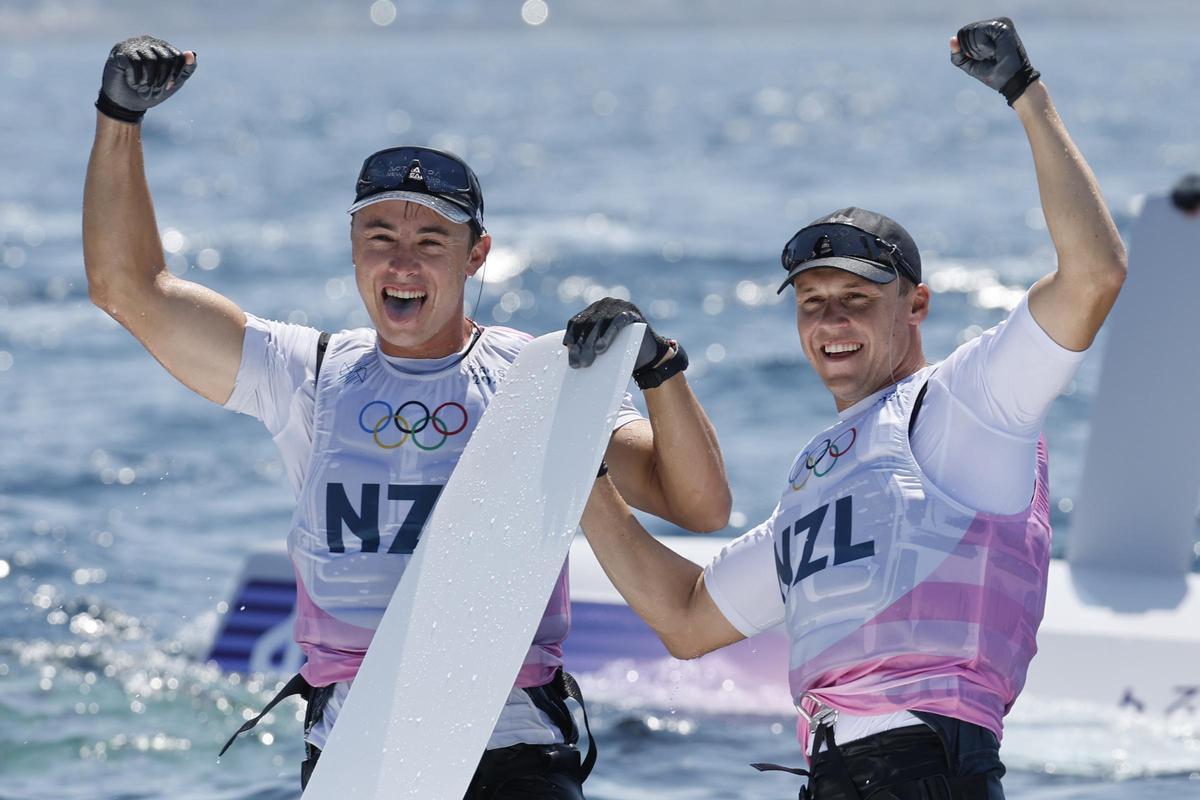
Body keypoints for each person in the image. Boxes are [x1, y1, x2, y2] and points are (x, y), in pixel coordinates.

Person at [82, 36, 731, 799]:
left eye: (431, 241)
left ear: (477, 255)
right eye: (380, 238)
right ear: (353, 249)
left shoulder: (538, 383)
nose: (402, 265)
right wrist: (119, 117)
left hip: (515, 744)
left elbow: (698, 505)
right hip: (356, 749)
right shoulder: (307, 374)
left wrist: (658, 369)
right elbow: (129, 290)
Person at [578, 17, 1125, 800]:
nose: (830, 323)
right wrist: (584, 471)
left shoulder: (970, 401)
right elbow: (688, 618)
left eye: (856, 300)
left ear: (917, 305)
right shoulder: (817, 475)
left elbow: (1095, 276)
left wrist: (1023, 93)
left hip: (926, 765)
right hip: (835, 776)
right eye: (811, 303)